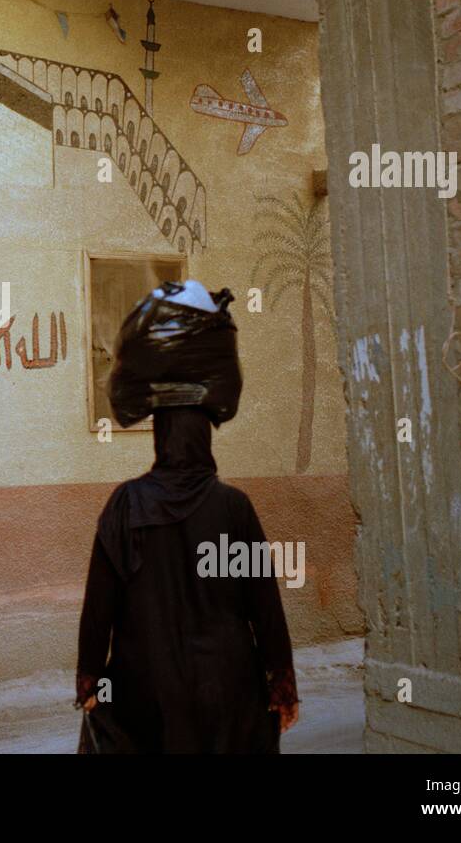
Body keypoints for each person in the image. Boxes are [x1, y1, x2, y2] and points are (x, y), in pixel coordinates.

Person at [75, 281, 299, 753]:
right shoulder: (233, 508)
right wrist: (282, 682)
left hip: (145, 695)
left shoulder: (125, 505)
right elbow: (266, 608)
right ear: (206, 437)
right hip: (229, 694)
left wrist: (91, 679)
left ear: (159, 437)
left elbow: (99, 608)